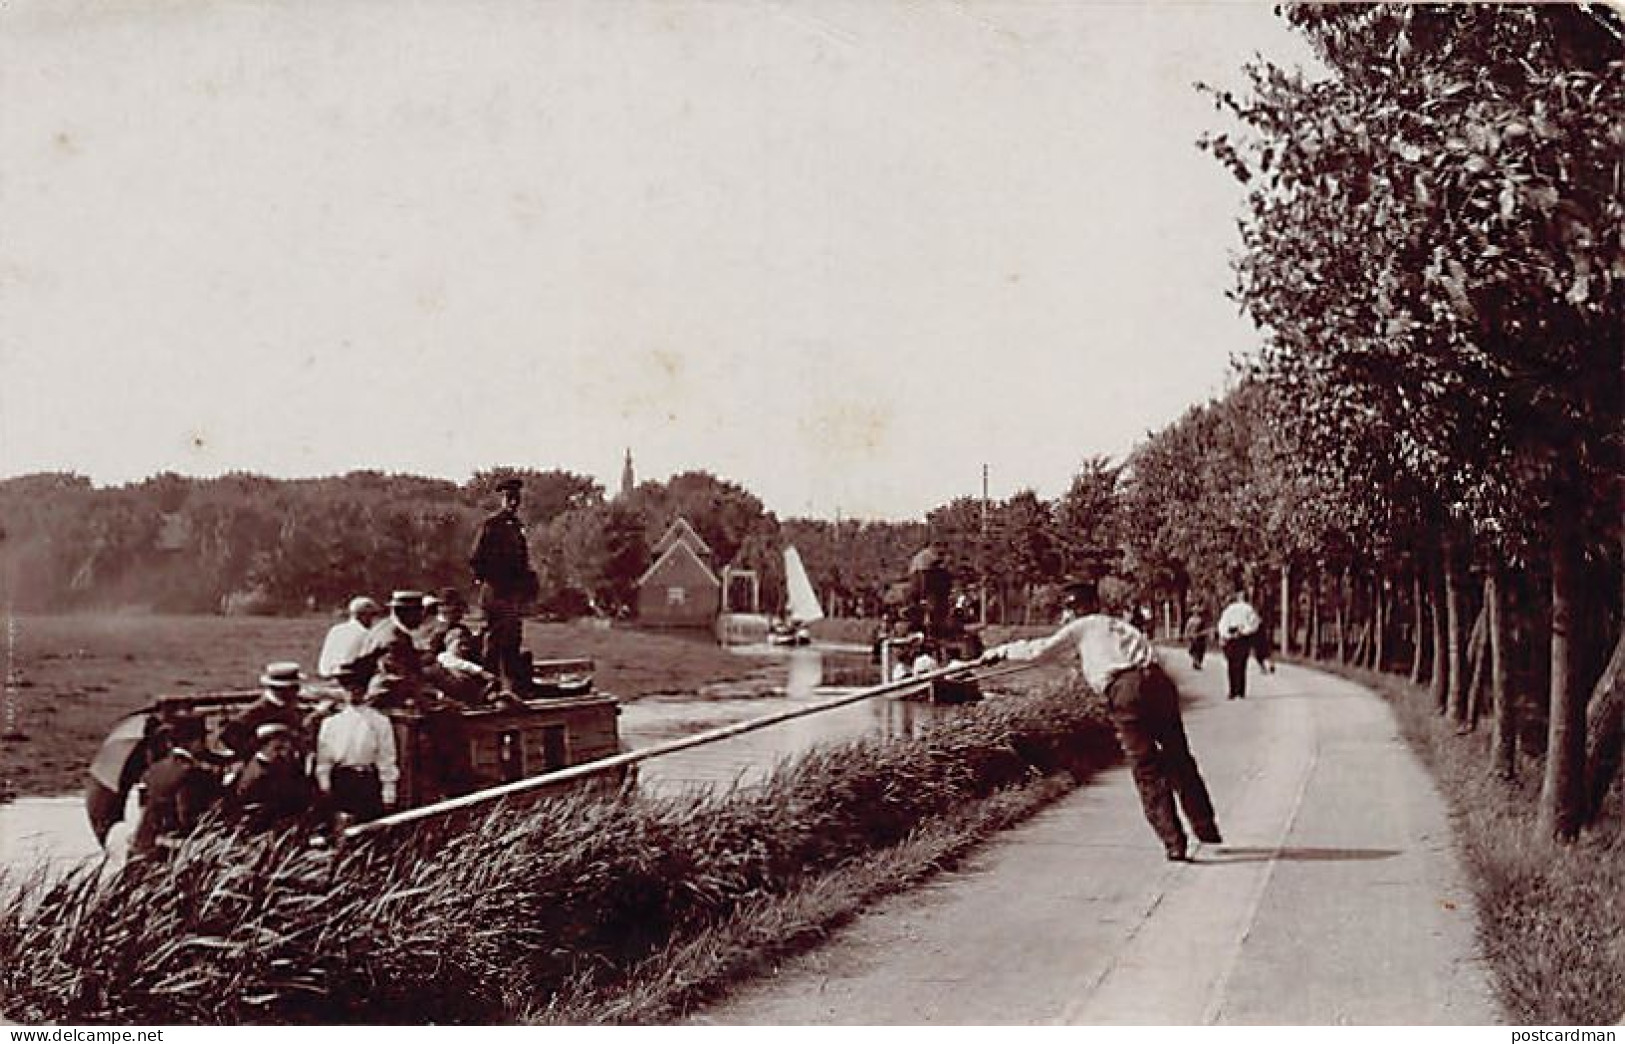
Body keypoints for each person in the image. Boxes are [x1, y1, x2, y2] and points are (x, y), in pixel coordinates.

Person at [983, 583, 1221, 862]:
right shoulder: (1117, 625)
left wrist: (1000, 652)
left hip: (1126, 690)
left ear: (1076, 609)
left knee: (1146, 766)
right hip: (1158, 683)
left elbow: (1040, 652)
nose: (1065, 617)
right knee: (1178, 755)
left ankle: (1174, 841)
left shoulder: (1081, 626)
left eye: (1067, 610)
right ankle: (1205, 825)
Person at [469, 477, 538, 695]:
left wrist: (525, 584)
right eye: (509, 498)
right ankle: (489, 686)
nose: (513, 503)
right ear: (502, 499)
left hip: (512, 593)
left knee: (512, 638)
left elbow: (522, 561)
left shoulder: (517, 527)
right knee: (495, 638)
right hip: (496, 590)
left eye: (516, 498)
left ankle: (512, 687)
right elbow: (476, 558)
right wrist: (488, 579)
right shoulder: (492, 525)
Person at [315, 662, 400, 824]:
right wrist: (324, 784)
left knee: (369, 826)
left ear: (365, 690)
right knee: (340, 825)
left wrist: (388, 791)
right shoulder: (331, 723)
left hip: (367, 781)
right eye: (347, 689)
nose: (352, 693)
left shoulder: (379, 722)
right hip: (341, 780)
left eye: (357, 688)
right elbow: (324, 760)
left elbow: (386, 759)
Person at [132, 715, 222, 855]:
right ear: (192, 741)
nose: (204, 744)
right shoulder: (191, 773)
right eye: (202, 740)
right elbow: (186, 816)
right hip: (170, 852)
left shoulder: (154, 769)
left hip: (143, 845)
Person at [350, 591, 430, 707]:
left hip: (379, 690)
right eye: (418, 612)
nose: (422, 617)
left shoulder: (384, 627)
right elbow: (398, 677)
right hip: (384, 697)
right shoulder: (395, 640)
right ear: (403, 612)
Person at [229, 722, 312, 832]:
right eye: (281, 743)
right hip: (260, 827)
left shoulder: (276, 765)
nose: (287, 746)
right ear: (268, 744)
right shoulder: (257, 771)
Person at [222, 662, 308, 758]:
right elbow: (230, 739)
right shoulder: (254, 713)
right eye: (294, 688)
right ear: (280, 690)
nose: (296, 692)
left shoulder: (293, 708)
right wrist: (256, 743)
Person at [317, 596, 383, 678]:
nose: (372, 619)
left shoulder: (335, 630)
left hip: (327, 674)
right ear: (362, 615)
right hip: (351, 678)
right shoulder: (366, 634)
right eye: (371, 615)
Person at [1217, 591, 1264, 700]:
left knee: (1231, 665)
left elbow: (1223, 624)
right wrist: (1243, 631)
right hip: (1243, 638)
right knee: (1241, 664)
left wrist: (1226, 635)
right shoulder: (1249, 609)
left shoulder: (1229, 609)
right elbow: (1254, 624)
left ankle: (1233, 691)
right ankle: (1240, 691)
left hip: (1231, 638)